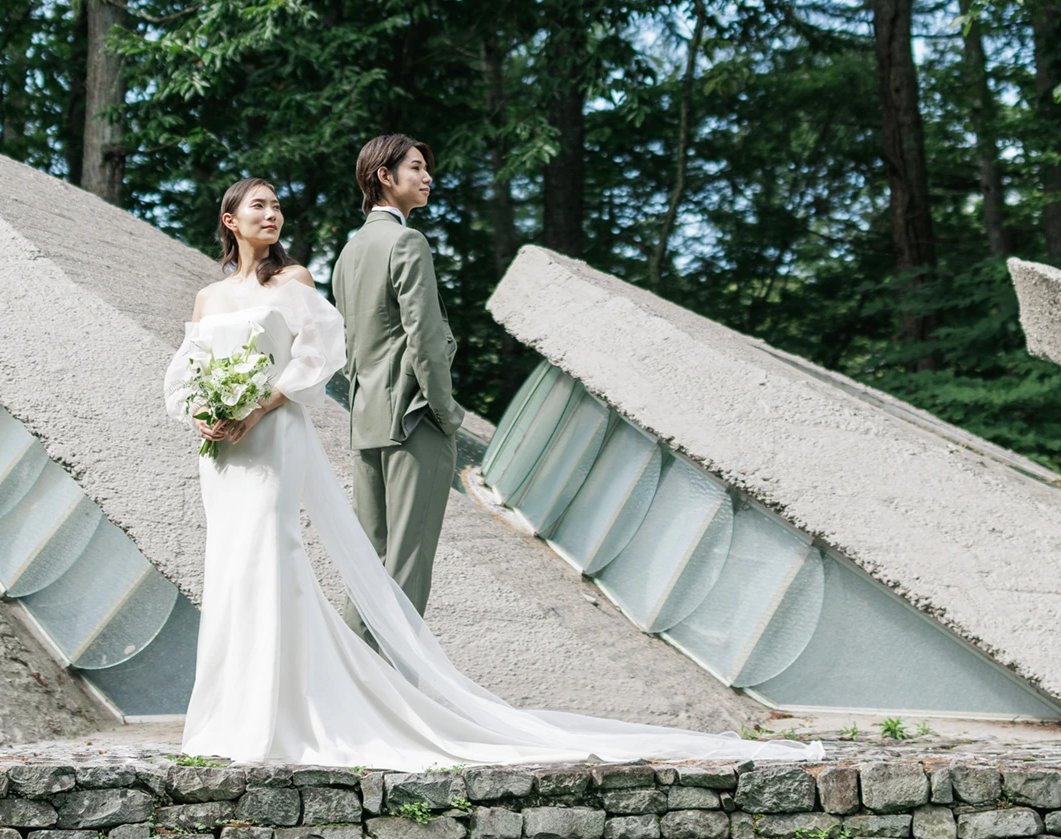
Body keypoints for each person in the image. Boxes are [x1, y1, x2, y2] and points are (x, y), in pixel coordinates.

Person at [163, 175, 816, 770]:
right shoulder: (208, 297)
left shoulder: (295, 281)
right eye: (259, 206)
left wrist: (256, 409)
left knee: (271, 560)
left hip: (271, 437)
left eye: (278, 205)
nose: (273, 214)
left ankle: (280, 716)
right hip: (221, 451)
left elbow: (316, 358)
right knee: (228, 566)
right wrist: (206, 417)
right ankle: (227, 714)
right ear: (229, 220)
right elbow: (186, 371)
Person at [329, 134, 455, 614]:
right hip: (414, 418)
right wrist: (446, 413)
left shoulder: (348, 253)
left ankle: (354, 681)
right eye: (417, 168)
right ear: (385, 176)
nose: (428, 178)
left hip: (367, 421)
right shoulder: (407, 240)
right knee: (407, 567)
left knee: (368, 566)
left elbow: (349, 345)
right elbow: (424, 339)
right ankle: (397, 688)